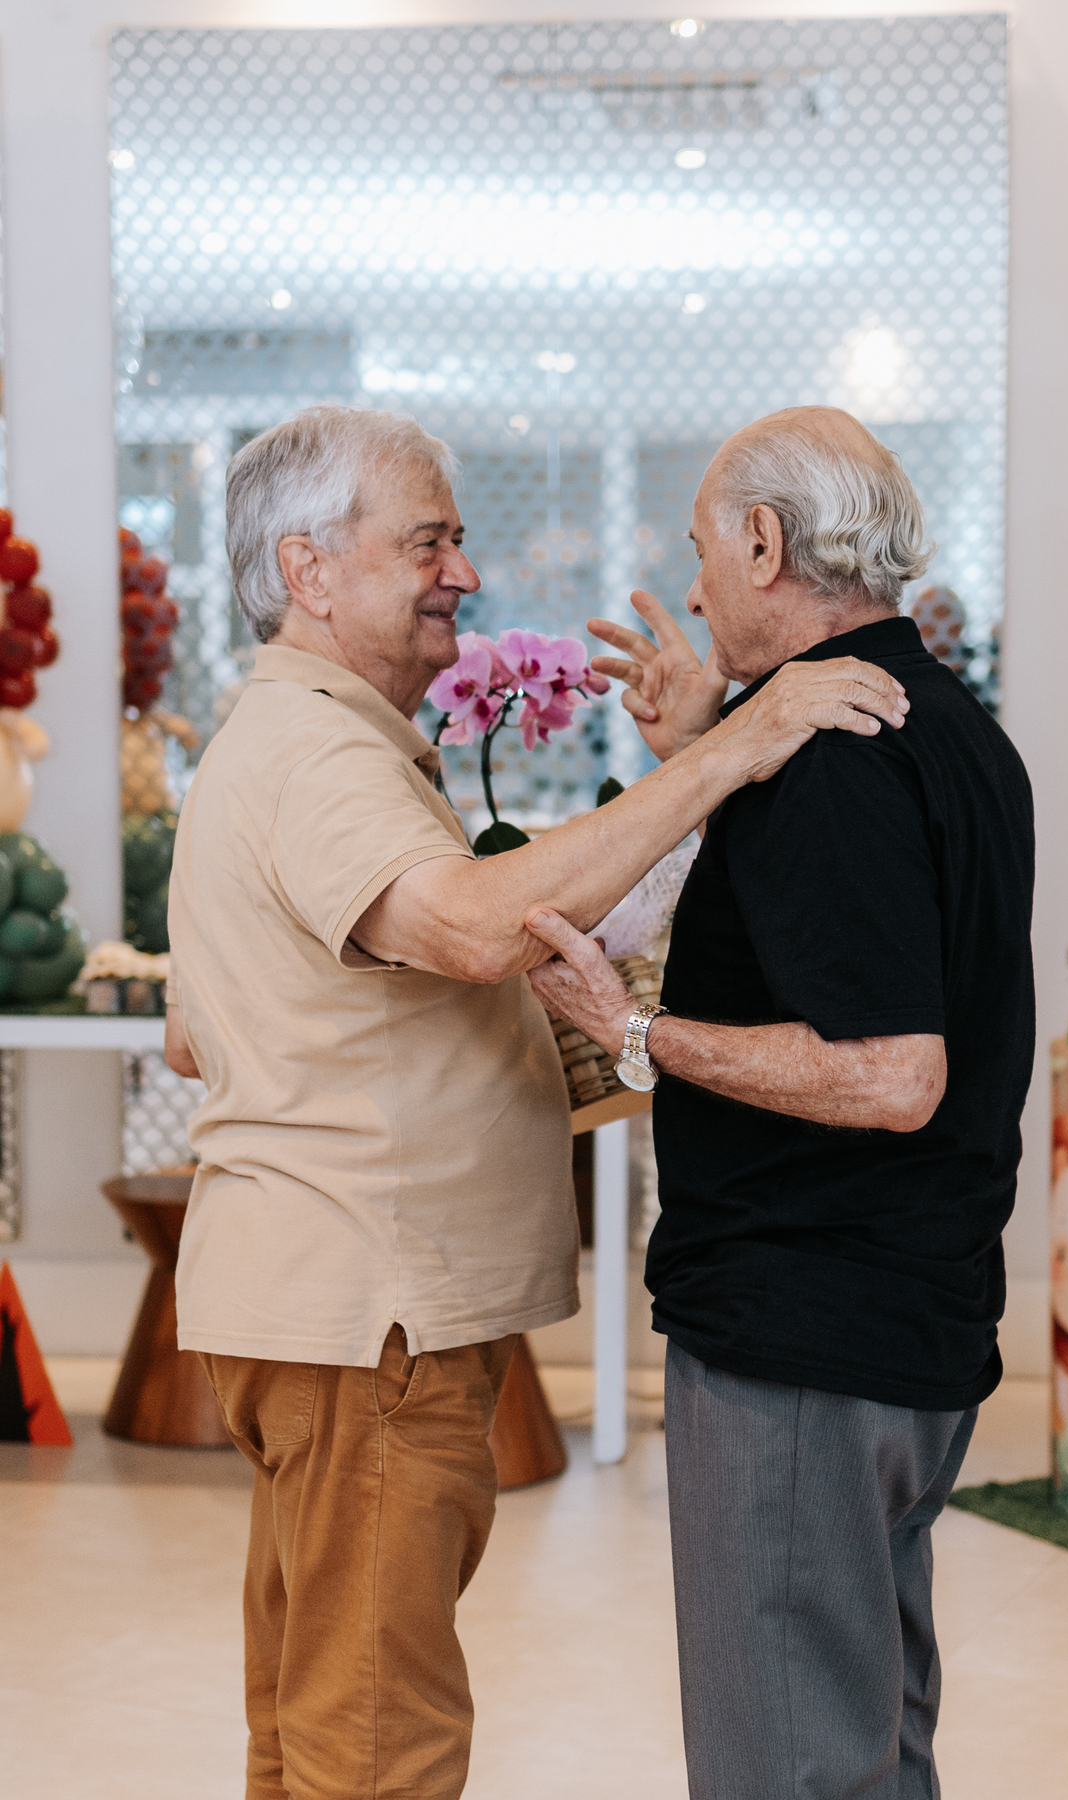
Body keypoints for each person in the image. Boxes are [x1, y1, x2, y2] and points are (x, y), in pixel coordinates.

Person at [162, 403, 910, 1800]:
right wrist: (729, 753)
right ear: (312, 571)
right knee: (374, 1746)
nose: (465, 570)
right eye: (429, 541)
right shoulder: (319, 753)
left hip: (328, 1307)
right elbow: (466, 930)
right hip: (366, 1318)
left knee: (316, 1719)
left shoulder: (309, 738)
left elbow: (213, 1020)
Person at [526, 406, 1035, 1800]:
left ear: (763, 541)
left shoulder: (828, 754)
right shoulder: (949, 728)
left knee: (789, 1768)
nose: (692, 589)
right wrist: (703, 742)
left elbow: (892, 1071)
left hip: (807, 1344)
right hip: (909, 1327)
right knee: (871, 1743)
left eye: (702, 549)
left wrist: (638, 1031)